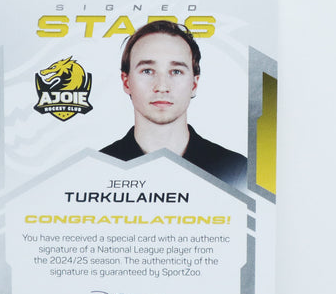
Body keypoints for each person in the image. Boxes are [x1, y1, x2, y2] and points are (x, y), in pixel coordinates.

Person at [100, 20, 247, 190]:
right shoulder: (96, 169)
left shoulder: (236, 170)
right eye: (147, 71)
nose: (162, 86)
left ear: (194, 84)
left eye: (176, 71)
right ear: (126, 82)